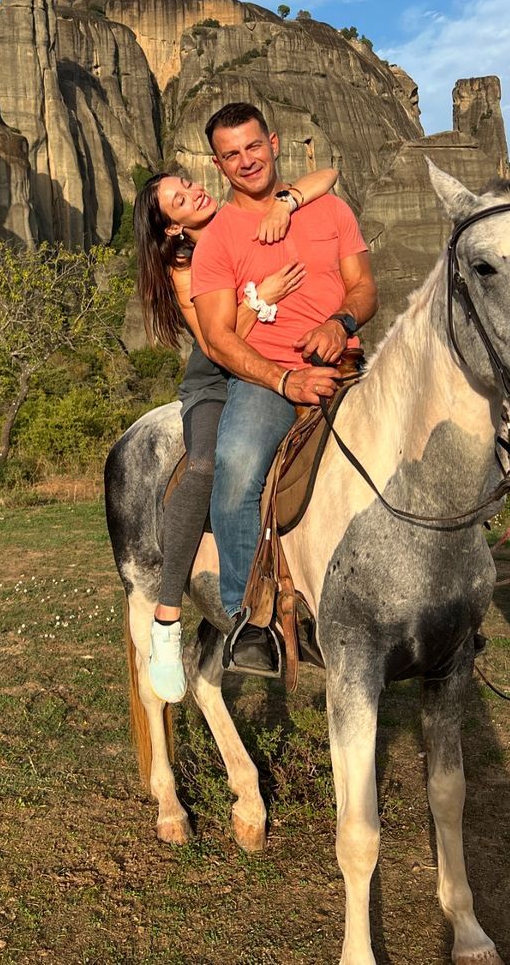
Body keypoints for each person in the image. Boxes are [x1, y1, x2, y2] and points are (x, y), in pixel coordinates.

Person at [133, 161, 339, 702]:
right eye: (179, 199)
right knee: (205, 466)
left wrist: (285, 201)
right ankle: (168, 616)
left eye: (188, 182)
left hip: (283, 364)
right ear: (173, 228)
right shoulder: (184, 269)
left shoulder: (242, 218)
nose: (193, 192)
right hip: (219, 382)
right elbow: (216, 344)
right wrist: (261, 296)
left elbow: (328, 176)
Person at [190, 102, 378, 675]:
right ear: (219, 166)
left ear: (273, 143)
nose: (246, 161)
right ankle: (249, 618)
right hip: (268, 378)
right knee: (239, 461)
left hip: (347, 363)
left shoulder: (329, 209)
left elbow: (364, 286)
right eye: (231, 155)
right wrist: (285, 378)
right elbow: (219, 339)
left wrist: (340, 323)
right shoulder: (217, 239)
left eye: (253, 147)